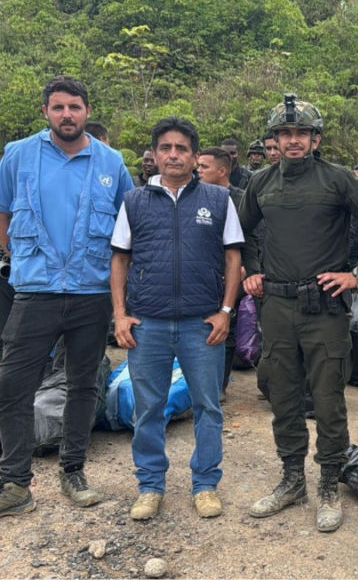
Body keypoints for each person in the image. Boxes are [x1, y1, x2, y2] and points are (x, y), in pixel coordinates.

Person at [0, 76, 133, 517]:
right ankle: (15, 483)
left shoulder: (112, 162)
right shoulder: (18, 155)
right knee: (12, 386)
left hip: (91, 292)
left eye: (74, 107)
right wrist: (22, 261)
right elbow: (3, 214)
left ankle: (73, 470)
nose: (67, 115)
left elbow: (127, 230)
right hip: (34, 292)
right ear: (45, 112)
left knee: (83, 384)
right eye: (58, 107)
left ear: (87, 111)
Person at [240, 94, 358, 533]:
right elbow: (241, 232)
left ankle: (329, 483)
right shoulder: (260, 182)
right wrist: (252, 272)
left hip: (325, 306)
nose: (293, 140)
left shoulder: (339, 179)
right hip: (276, 305)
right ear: (274, 140)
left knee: (329, 399)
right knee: (283, 395)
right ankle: (292, 479)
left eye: (301, 133)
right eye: (284, 134)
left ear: (316, 139)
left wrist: (354, 273)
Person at [110, 117, 243, 520]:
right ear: (154, 154)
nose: (173, 155)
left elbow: (233, 257)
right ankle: (150, 485)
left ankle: (205, 484)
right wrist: (120, 315)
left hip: (201, 324)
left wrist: (225, 311)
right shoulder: (134, 201)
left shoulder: (218, 200)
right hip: (147, 323)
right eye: (165, 147)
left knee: (208, 407)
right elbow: (120, 259)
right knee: (148, 408)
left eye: (181, 148)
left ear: (194, 155)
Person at [197, 147, 248, 401]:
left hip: (234, 273)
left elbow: (255, 234)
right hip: (204, 272)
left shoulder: (241, 199)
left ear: (222, 171)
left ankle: (219, 385)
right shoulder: (196, 195)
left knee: (227, 324)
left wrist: (245, 267)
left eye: (204, 167)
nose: (198, 171)